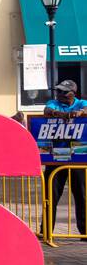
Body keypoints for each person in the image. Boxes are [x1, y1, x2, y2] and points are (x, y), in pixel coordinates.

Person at [42, 79, 87, 237]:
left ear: (72, 93)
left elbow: (86, 108)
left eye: (63, 92)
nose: (59, 94)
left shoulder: (81, 103)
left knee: (81, 195)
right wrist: (61, 114)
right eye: (58, 91)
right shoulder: (53, 103)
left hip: (77, 158)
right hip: (56, 157)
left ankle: (84, 232)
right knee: (50, 195)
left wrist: (79, 113)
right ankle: (46, 231)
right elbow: (47, 110)